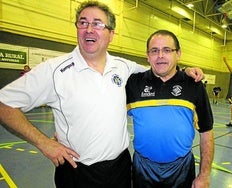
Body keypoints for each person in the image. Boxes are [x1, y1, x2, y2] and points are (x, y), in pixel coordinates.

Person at [0, 1, 204, 188]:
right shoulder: (54, 71)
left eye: (98, 24)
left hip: (120, 169)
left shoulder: (124, 67)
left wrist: (184, 71)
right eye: (83, 22)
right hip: (76, 171)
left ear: (111, 34)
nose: (89, 29)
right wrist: (43, 142)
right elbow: (3, 104)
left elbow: (160, 68)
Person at [126, 30, 214, 188]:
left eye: (167, 50)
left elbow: (206, 132)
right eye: (154, 51)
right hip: (143, 168)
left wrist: (204, 175)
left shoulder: (193, 85)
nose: (160, 55)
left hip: (181, 169)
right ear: (147, 56)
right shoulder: (133, 83)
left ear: (178, 54)